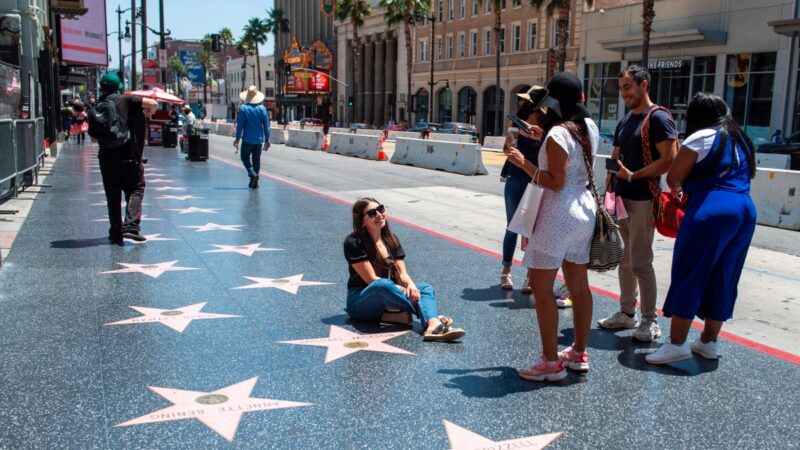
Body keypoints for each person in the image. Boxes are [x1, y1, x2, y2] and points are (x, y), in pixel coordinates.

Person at [646, 93, 757, 364]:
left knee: (690, 272)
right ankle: (708, 342)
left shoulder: (701, 137)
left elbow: (674, 178)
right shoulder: (741, 138)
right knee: (725, 275)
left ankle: (676, 344)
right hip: (745, 209)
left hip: (712, 209)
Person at [505, 73, 598, 381]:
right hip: (585, 211)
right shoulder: (588, 127)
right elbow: (571, 161)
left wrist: (522, 162)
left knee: (543, 291)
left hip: (558, 214)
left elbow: (555, 182)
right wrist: (539, 135)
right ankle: (578, 353)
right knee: (580, 288)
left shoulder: (558, 133)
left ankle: (549, 363)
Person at [596, 65, 678, 342]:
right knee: (626, 260)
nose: (623, 93)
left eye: (628, 87)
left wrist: (634, 175)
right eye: (621, 88)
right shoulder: (625, 120)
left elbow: (669, 159)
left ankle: (650, 321)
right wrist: (609, 186)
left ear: (644, 86)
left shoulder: (658, 118)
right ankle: (627, 313)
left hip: (643, 199)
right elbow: (615, 157)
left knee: (642, 262)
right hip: (622, 198)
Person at [344, 198, 466, 342]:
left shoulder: (391, 239)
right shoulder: (353, 242)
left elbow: (402, 274)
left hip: (388, 297)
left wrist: (411, 286)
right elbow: (371, 280)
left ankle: (431, 322)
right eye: (372, 213)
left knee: (424, 288)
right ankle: (431, 316)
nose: (379, 214)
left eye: (381, 209)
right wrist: (402, 290)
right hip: (360, 301)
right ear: (361, 221)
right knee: (382, 285)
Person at [91, 72, 157, 244]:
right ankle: (131, 227)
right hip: (129, 155)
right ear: (119, 86)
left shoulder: (98, 105)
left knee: (112, 195)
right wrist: (149, 112)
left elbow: (93, 138)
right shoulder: (127, 100)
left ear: (102, 87)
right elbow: (152, 102)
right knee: (136, 188)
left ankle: (115, 232)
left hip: (106, 157)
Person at [499, 87, 545, 294]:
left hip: (537, 180)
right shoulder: (517, 121)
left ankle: (530, 274)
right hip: (517, 177)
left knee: (535, 229)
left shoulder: (546, 125)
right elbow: (508, 150)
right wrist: (514, 138)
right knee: (512, 226)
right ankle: (506, 269)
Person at [233, 86, 270, 189]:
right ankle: (255, 182)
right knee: (256, 160)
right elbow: (266, 126)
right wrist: (268, 139)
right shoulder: (262, 109)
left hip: (247, 139)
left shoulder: (243, 108)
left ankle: (252, 174)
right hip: (258, 140)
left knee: (244, 157)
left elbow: (240, 126)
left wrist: (237, 139)